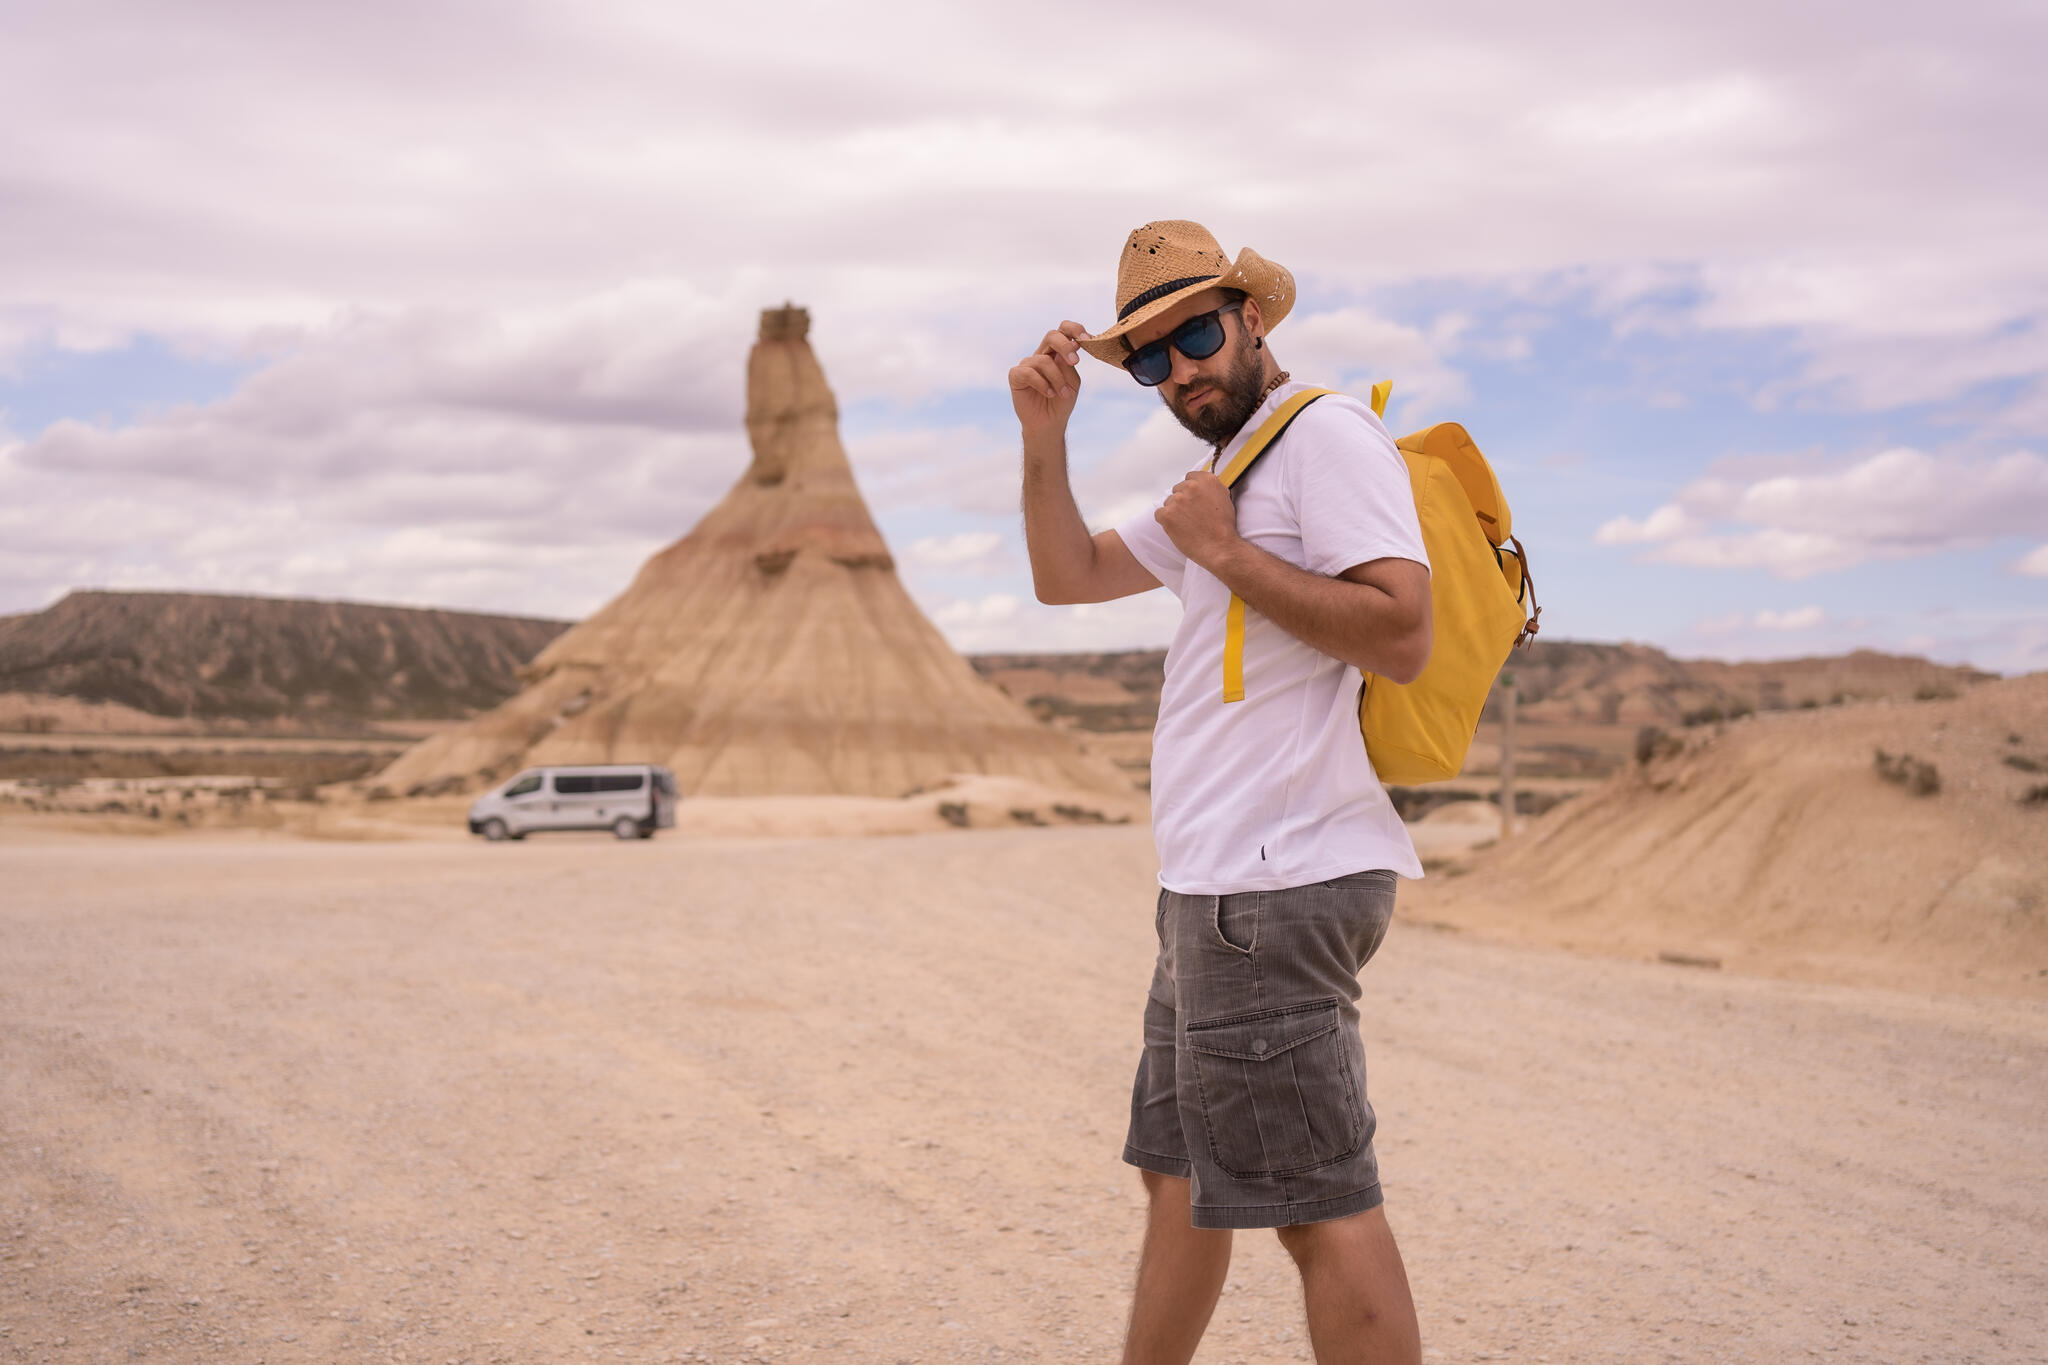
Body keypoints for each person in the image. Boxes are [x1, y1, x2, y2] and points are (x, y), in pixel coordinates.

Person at [1009, 220, 1431, 1365]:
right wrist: (1043, 437)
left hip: (1274, 884)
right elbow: (1066, 576)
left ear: (1249, 317)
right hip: (1212, 888)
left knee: (1315, 1206)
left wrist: (1228, 554)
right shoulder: (1231, 469)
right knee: (1177, 1175)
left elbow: (1401, 634)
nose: (1176, 371)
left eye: (1192, 336)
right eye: (1147, 357)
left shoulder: (1321, 436)